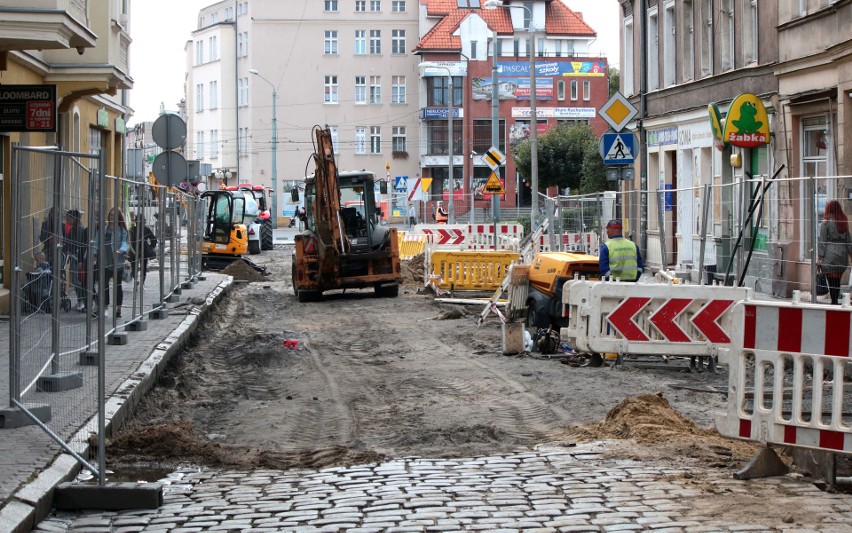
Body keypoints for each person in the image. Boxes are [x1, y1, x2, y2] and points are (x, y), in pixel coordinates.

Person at [92, 207, 129, 318]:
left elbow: (125, 242)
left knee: (118, 285)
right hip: (105, 261)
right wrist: (94, 255)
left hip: (117, 261)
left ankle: (118, 309)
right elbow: (97, 242)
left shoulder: (122, 230)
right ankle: (104, 307)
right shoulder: (104, 229)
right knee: (104, 285)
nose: (112, 217)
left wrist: (121, 250)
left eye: (114, 215)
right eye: (111, 215)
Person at [817, 200, 852, 305]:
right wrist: (850, 255)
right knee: (837, 280)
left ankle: (834, 301)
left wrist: (820, 257)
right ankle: (836, 300)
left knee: (831, 280)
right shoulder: (843, 221)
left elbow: (822, 241)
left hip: (830, 254)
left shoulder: (826, 222)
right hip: (842, 255)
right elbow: (849, 240)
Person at [63, 210, 88, 311]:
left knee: (77, 280)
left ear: (74, 218)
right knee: (76, 280)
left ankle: (82, 300)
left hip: (77, 257)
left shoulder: (78, 229)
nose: (66, 219)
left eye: (68, 217)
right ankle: (81, 300)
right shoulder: (74, 228)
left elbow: (77, 244)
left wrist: (71, 251)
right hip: (73, 256)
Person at [129, 214, 157, 285]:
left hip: (136, 251)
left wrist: (150, 248)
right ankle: (140, 282)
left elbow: (154, 239)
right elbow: (154, 240)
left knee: (136, 267)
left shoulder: (133, 229)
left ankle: (137, 281)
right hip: (139, 251)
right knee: (142, 268)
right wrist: (150, 247)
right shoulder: (145, 229)